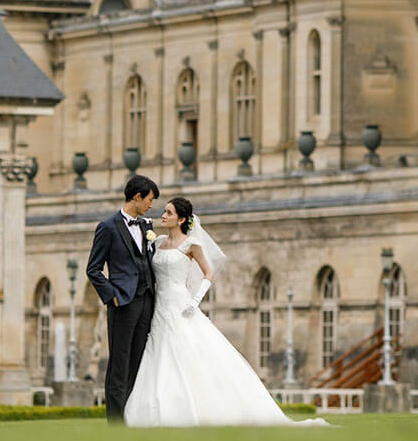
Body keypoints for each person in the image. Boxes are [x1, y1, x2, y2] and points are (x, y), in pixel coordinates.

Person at [123, 196, 327, 427]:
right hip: (160, 306)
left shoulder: (191, 245)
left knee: (186, 350)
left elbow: (208, 273)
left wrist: (195, 301)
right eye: (164, 212)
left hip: (181, 304)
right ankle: (154, 406)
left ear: (181, 219)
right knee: (159, 351)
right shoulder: (157, 243)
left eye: (169, 213)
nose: (163, 216)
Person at [86, 175, 159, 422]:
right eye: (149, 200)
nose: (151, 205)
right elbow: (93, 269)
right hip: (123, 304)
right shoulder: (107, 227)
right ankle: (115, 423)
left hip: (147, 302)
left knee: (138, 363)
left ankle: (133, 416)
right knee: (119, 365)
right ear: (137, 197)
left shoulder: (147, 226)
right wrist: (112, 297)